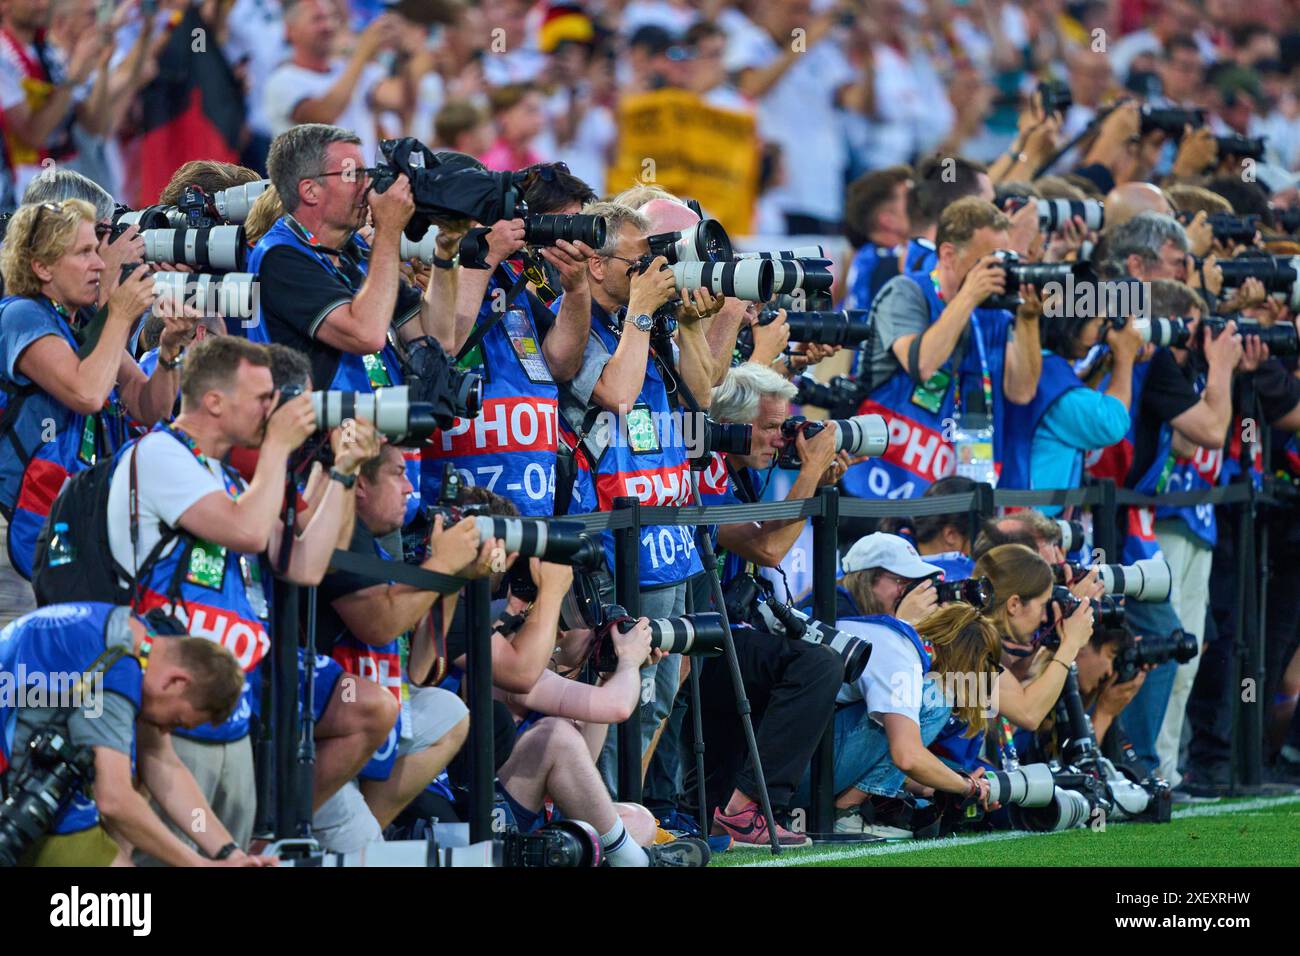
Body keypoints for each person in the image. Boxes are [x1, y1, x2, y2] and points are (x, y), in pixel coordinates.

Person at [103, 335, 392, 859]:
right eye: (261, 396)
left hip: (231, 718)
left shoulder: (230, 478)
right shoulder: (159, 455)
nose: (273, 409)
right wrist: (280, 447)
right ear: (214, 401)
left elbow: (304, 565)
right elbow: (248, 533)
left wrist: (343, 470)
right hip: (174, 709)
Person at [0, 199, 194, 621]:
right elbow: (86, 393)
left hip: (72, 525)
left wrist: (169, 353)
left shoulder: (81, 322)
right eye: (84, 253)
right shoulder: (20, 315)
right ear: (42, 267)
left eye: (97, 250)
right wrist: (119, 313)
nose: (100, 265)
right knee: (36, 666)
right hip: (16, 529)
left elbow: (148, 407)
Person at [312, 442, 482, 850]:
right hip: (325, 734)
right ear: (359, 487)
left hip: (371, 716)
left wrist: (453, 576)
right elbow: (378, 624)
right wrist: (439, 565)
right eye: (398, 473)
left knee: (448, 712)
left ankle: (363, 828)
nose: (410, 487)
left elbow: (419, 670)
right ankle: (309, 824)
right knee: (378, 858)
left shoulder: (371, 543)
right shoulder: (339, 529)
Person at [0, 601, 259, 867]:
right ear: (176, 681)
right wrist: (197, 863)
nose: (165, 730)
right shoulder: (115, 673)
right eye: (176, 720)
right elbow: (114, 799)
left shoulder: (129, 633)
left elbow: (163, 765)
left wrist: (227, 851)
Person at [422, 162, 597, 517]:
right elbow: (445, 342)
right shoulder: (427, 274)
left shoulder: (509, 278)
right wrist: (485, 255)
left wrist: (576, 288)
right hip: (453, 504)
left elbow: (561, 364)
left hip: (531, 498)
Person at [846, 197, 1043, 503]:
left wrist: (1028, 319)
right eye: (987, 262)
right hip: (882, 487)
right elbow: (922, 364)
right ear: (948, 254)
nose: (996, 272)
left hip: (949, 489)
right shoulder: (906, 292)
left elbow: (1021, 391)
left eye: (1002, 260)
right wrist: (968, 296)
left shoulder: (995, 312)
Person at [494, 609, 711, 866]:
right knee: (557, 735)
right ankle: (637, 862)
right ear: (558, 633)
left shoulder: (546, 674)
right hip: (493, 819)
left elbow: (580, 761)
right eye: (590, 628)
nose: (597, 637)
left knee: (640, 820)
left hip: (531, 814)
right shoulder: (518, 673)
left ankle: (605, 856)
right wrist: (628, 663)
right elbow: (617, 707)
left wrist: (607, 675)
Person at [800, 604, 1001, 838]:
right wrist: (969, 787)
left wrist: (944, 783)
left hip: (777, 764)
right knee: (936, 700)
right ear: (972, 662)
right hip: (788, 771)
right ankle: (846, 813)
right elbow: (907, 756)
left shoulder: (899, 639)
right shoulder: (902, 661)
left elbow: (892, 761)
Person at [997, 289, 1147, 509]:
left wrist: (1102, 370)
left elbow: (1075, 409)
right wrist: (1125, 357)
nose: (1101, 335)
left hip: (1029, 510)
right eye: (1099, 323)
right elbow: (1110, 424)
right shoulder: (1047, 373)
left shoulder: (1041, 366)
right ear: (1071, 320)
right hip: (1029, 518)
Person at [263, 0, 407, 166]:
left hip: (364, 185)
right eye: (318, 19)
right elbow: (322, 116)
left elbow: (399, 99)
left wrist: (405, 53)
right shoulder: (282, 79)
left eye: (333, 17)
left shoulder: (350, 69)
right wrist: (362, 52)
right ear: (290, 30)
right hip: (313, 189)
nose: (329, 25)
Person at [842, 165, 913, 314]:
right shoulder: (893, 265)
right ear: (888, 220)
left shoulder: (866, 256)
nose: (922, 204)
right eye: (912, 198)